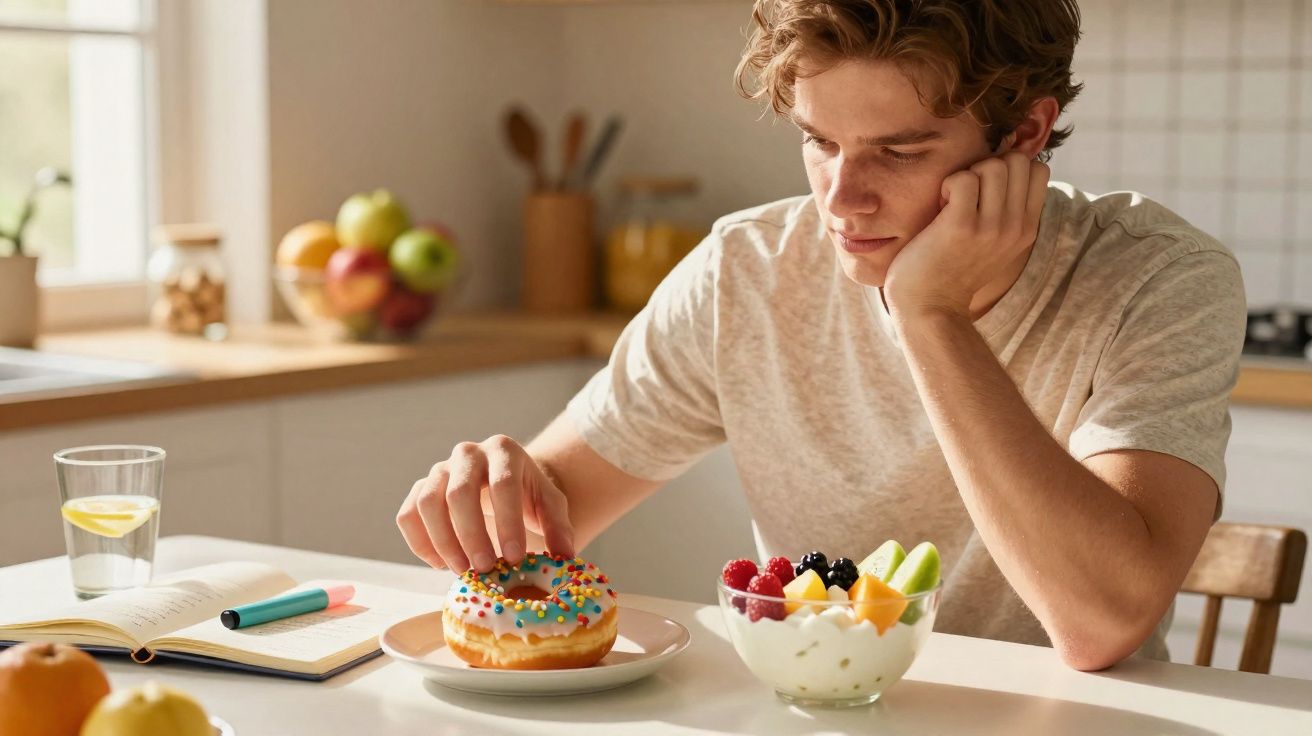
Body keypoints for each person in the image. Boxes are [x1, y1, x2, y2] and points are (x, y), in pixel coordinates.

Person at [396, 0, 1246, 671]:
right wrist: (503, 485)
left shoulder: (1160, 279)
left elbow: (1101, 625)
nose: (840, 199)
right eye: (818, 142)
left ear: (1023, 134)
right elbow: (552, 516)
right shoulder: (746, 268)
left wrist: (930, 316)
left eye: (900, 151)